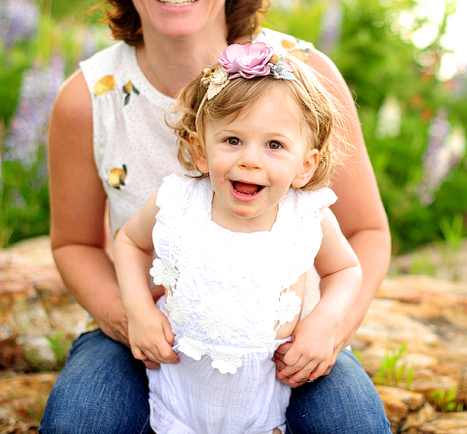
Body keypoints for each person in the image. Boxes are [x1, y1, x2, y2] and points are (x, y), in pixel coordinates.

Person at [41, 0, 392, 434]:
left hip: (283, 341)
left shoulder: (306, 77)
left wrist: (328, 330)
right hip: (147, 332)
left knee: (349, 425)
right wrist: (127, 317)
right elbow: (76, 244)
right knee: (82, 421)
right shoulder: (89, 98)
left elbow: (367, 234)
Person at [114, 42, 363, 434]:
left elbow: (346, 270)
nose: (250, 159)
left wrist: (325, 322)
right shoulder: (177, 201)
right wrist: (139, 310)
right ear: (200, 150)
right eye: (232, 140)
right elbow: (129, 243)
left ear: (305, 165)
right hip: (179, 394)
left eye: (275, 145)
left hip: (261, 402)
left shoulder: (305, 216)